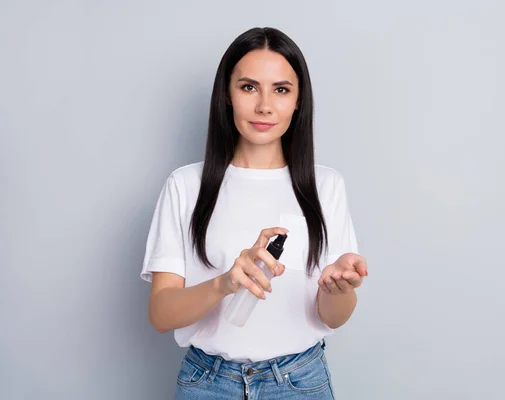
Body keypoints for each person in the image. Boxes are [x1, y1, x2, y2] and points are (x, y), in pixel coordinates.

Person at [140, 26, 369, 400]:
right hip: (207, 384)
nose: (265, 105)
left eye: (281, 90)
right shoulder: (186, 186)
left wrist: (338, 288)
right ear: (227, 95)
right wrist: (224, 283)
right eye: (248, 87)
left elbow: (333, 316)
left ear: (298, 101)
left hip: (299, 383)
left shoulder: (325, 187)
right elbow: (161, 315)